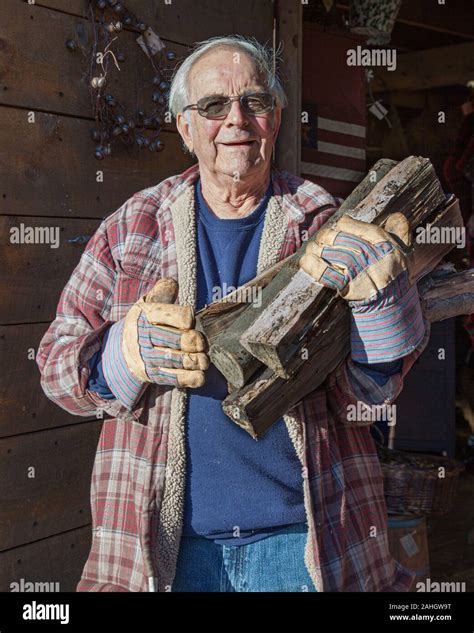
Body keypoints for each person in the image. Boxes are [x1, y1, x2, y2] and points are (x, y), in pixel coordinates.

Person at [36, 35, 429, 592]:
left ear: (277, 117)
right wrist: (120, 355)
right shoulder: (132, 228)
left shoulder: (325, 224)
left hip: (303, 545)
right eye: (214, 105)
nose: (236, 119)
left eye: (256, 101)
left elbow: (370, 395)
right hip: (164, 550)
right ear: (184, 126)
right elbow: (55, 365)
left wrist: (381, 307)